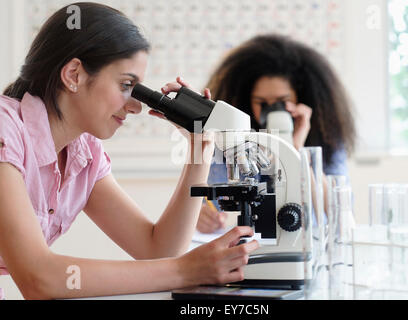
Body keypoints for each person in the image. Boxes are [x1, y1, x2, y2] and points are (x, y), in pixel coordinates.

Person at [0, 2, 259, 300]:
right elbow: (39, 279)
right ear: (74, 74)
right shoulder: (5, 130)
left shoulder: (84, 155)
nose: (135, 106)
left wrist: (200, 147)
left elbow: (157, 251)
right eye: (126, 85)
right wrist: (188, 269)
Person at [196, 34, 356, 234]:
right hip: (256, 241)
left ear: (300, 96)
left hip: (310, 241)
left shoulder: (328, 137)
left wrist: (297, 150)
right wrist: (202, 215)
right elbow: (211, 201)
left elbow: (340, 215)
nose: (271, 110)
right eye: (262, 103)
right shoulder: (231, 141)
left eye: (281, 101)